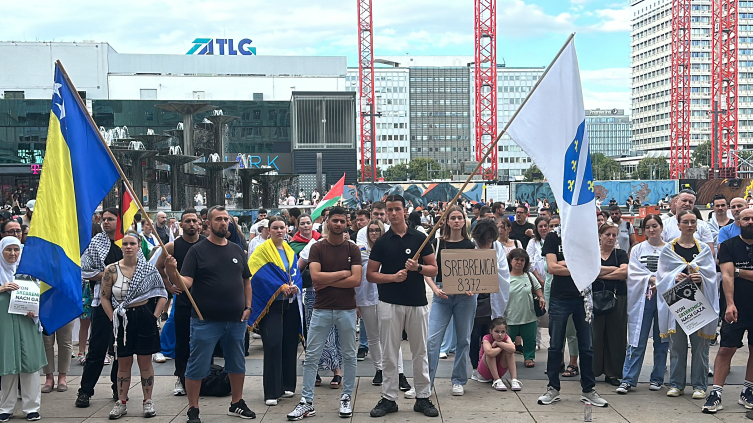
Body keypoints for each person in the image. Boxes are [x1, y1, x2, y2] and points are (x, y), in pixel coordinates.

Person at [165, 205, 255, 423]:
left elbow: (246, 280)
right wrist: (170, 272)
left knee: (237, 364)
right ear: (208, 224)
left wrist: (248, 307)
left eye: (226, 219)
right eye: (218, 219)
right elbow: (186, 282)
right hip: (205, 321)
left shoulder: (236, 249)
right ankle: (193, 409)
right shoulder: (198, 251)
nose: (223, 223)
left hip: (235, 320)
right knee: (197, 365)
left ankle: (237, 402)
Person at [366, 194, 440, 418]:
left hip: (417, 302)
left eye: (397, 209)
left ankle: (423, 397)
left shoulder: (420, 238)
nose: (393, 213)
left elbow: (434, 269)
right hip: (389, 303)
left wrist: (417, 268)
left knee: (420, 352)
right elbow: (371, 275)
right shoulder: (381, 242)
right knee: (389, 353)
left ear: (405, 210)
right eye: (389, 210)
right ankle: (389, 398)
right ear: (386, 213)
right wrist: (391, 278)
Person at [287, 207, 361, 420]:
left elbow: (356, 280)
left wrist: (330, 278)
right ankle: (307, 401)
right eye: (334, 220)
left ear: (346, 223)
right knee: (311, 356)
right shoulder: (317, 248)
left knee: (348, 355)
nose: (338, 224)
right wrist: (343, 274)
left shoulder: (353, 249)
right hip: (321, 308)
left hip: (346, 309)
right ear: (327, 222)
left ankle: (346, 397)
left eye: (342, 221)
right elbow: (315, 278)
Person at [538, 224, 608, 407]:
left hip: (583, 297)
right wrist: (580, 268)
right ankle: (553, 388)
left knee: (586, 347)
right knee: (555, 346)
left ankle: (588, 390)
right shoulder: (554, 237)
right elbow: (552, 267)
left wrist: (566, 265)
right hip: (560, 297)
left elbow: (594, 266)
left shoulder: (588, 237)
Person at [101, 231, 167, 419]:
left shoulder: (148, 269)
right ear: (121, 247)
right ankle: (121, 402)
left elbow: (162, 294)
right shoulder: (111, 270)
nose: (129, 247)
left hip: (144, 316)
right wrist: (113, 319)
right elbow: (104, 298)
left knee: (145, 363)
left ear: (139, 247)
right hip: (122, 318)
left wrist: (154, 317)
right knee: (123, 363)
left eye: (132, 244)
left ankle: (147, 401)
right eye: (125, 244)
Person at [657, 210, 718, 400]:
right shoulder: (669, 249)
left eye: (693, 222)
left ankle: (700, 386)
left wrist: (702, 277)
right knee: (677, 345)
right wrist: (674, 277)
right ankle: (676, 384)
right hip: (677, 302)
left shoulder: (704, 249)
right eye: (686, 222)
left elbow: (712, 275)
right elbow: (661, 276)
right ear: (678, 225)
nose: (690, 225)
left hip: (699, 301)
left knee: (700, 345)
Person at [248, 216, 302, 407]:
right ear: (268, 230)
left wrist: (294, 286)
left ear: (287, 230)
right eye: (275, 228)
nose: (279, 231)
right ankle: (271, 390)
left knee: (289, 344)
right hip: (270, 306)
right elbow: (257, 276)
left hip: (290, 304)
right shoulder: (260, 250)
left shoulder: (289, 250)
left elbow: (295, 273)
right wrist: (280, 286)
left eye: (282, 227)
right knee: (272, 344)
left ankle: (287, 385)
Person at [703, 208, 753, 413]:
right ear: (738, 222)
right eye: (746, 219)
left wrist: (739, 271)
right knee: (726, 349)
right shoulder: (729, 245)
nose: (750, 221)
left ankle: (747, 391)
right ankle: (715, 393)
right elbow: (727, 275)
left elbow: (734, 272)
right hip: (736, 306)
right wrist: (730, 304)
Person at [75, 208, 125, 408]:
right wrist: (108, 275)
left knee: (121, 350)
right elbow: (85, 270)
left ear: (119, 221)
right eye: (103, 219)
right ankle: (85, 391)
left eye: (110, 219)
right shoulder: (97, 243)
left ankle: (118, 389)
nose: (105, 222)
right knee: (96, 349)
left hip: (125, 305)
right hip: (101, 302)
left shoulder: (129, 241)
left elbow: (141, 268)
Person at [425, 206, 477, 396]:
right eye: (453, 218)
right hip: (442, 295)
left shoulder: (471, 246)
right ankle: (426, 383)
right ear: (446, 221)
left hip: (465, 298)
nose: (456, 221)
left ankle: (458, 380)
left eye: (459, 218)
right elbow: (428, 271)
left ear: (464, 221)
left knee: (463, 339)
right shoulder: (437, 244)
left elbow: (476, 274)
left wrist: (472, 287)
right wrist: (434, 289)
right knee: (432, 340)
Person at [616, 214, 669, 394]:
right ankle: (628, 379)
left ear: (661, 227)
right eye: (648, 227)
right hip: (642, 297)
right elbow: (634, 272)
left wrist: (659, 281)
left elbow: (674, 272)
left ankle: (657, 378)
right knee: (637, 338)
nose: (652, 230)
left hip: (664, 298)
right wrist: (650, 278)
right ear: (644, 230)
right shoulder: (638, 249)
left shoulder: (670, 249)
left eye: (655, 226)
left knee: (662, 339)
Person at [155, 209, 204, 397]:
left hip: (204, 299)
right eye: (187, 221)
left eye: (194, 221)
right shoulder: (173, 246)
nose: (191, 224)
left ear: (199, 224)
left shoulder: (206, 244)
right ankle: (180, 377)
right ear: (181, 225)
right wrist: (169, 286)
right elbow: (159, 267)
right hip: (183, 299)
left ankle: (201, 376)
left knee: (203, 341)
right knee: (182, 340)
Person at [0, 237, 45, 421]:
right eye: (8, 250)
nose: (12, 254)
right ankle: (6, 407)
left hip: (27, 323)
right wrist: (2, 288)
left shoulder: (27, 271)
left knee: (30, 363)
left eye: (16, 250)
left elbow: (39, 293)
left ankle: (32, 407)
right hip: (5, 325)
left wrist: (33, 308)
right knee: (7, 364)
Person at [592, 223, 629, 386]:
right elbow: (589, 271)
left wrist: (600, 275)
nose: (611, 238)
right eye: (607, 234)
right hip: (594, 298)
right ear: (600, 236)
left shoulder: (620, 253)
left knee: (616, 335)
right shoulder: (592, 254)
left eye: (614, 235)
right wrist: (611, 271)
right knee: (594, 334)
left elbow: (624, 272)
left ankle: (613, 373)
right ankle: (592, 370)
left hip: (617, 297)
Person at [355, 220, 392, 385]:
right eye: (371, 230)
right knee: (372, 335)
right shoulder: (360, 251)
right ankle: (379, 369)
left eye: (377, 230)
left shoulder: (389, 249)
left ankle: (396, 370)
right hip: (365, 295)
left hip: (386, 295)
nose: (374, 233)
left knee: (390, 334)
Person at [506, 248, 544, 369]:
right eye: (516, 259)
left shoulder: (529, 276)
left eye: (522, 260)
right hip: (509, 316)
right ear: (510, 261)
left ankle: (529, 357)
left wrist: (541, 297)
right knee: (507, 340)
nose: (519, 262)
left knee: (529, 339)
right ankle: (504, 359)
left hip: (529, 314)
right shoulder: (504, 277)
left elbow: (537, 288)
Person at [661, 190, 714, 255]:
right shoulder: (664, 224)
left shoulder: (703, 225)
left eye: (690, 202)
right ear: (676, 202)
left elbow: (710, 251)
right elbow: (661, 250)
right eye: (684, 200)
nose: (687, 204)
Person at [479, 317, 519, 391]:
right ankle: (496, 380)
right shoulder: (486, 338)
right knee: (491, 353)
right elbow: (489, 352)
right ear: (491, 331)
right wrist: (502, 347)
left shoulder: (506, 337)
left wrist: (498, 343)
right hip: (486, 369)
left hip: (500, 368)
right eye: (497, 331)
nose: (500, 334)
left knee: (509, 351)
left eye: (503, 332)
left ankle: (514, 379)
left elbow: (513, 349)